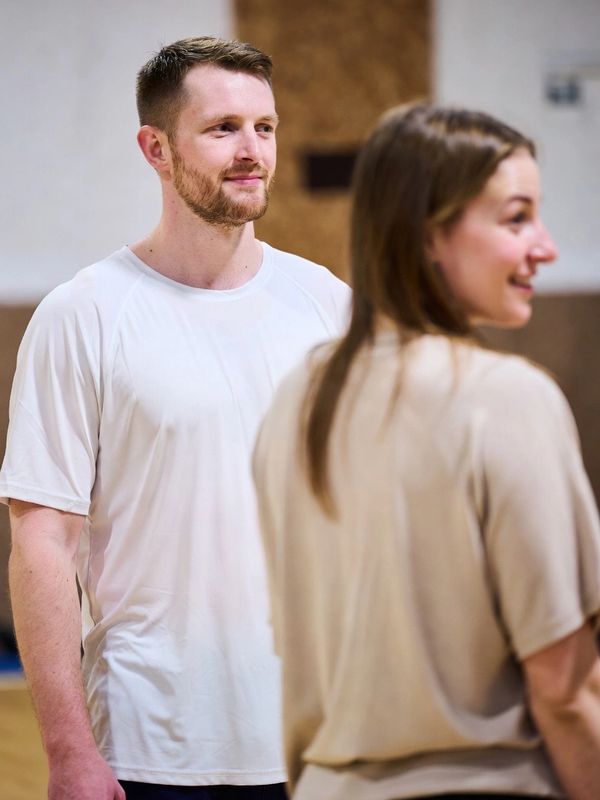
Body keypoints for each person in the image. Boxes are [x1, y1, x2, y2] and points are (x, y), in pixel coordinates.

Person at [0, 36, 350, 800]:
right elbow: (42, 541)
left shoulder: (328, 305)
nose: (252, 149)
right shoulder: (81, 315)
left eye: (265, 126)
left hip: (317, 738)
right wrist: (67, 751)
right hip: (148, 743)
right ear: (155, 148)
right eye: (223, 128)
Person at [253, 103, 600, 800]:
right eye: (516, 218)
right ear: (430, 234)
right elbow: (565, 690)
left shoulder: (294, 399)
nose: (546, 246)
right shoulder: (507, 397)